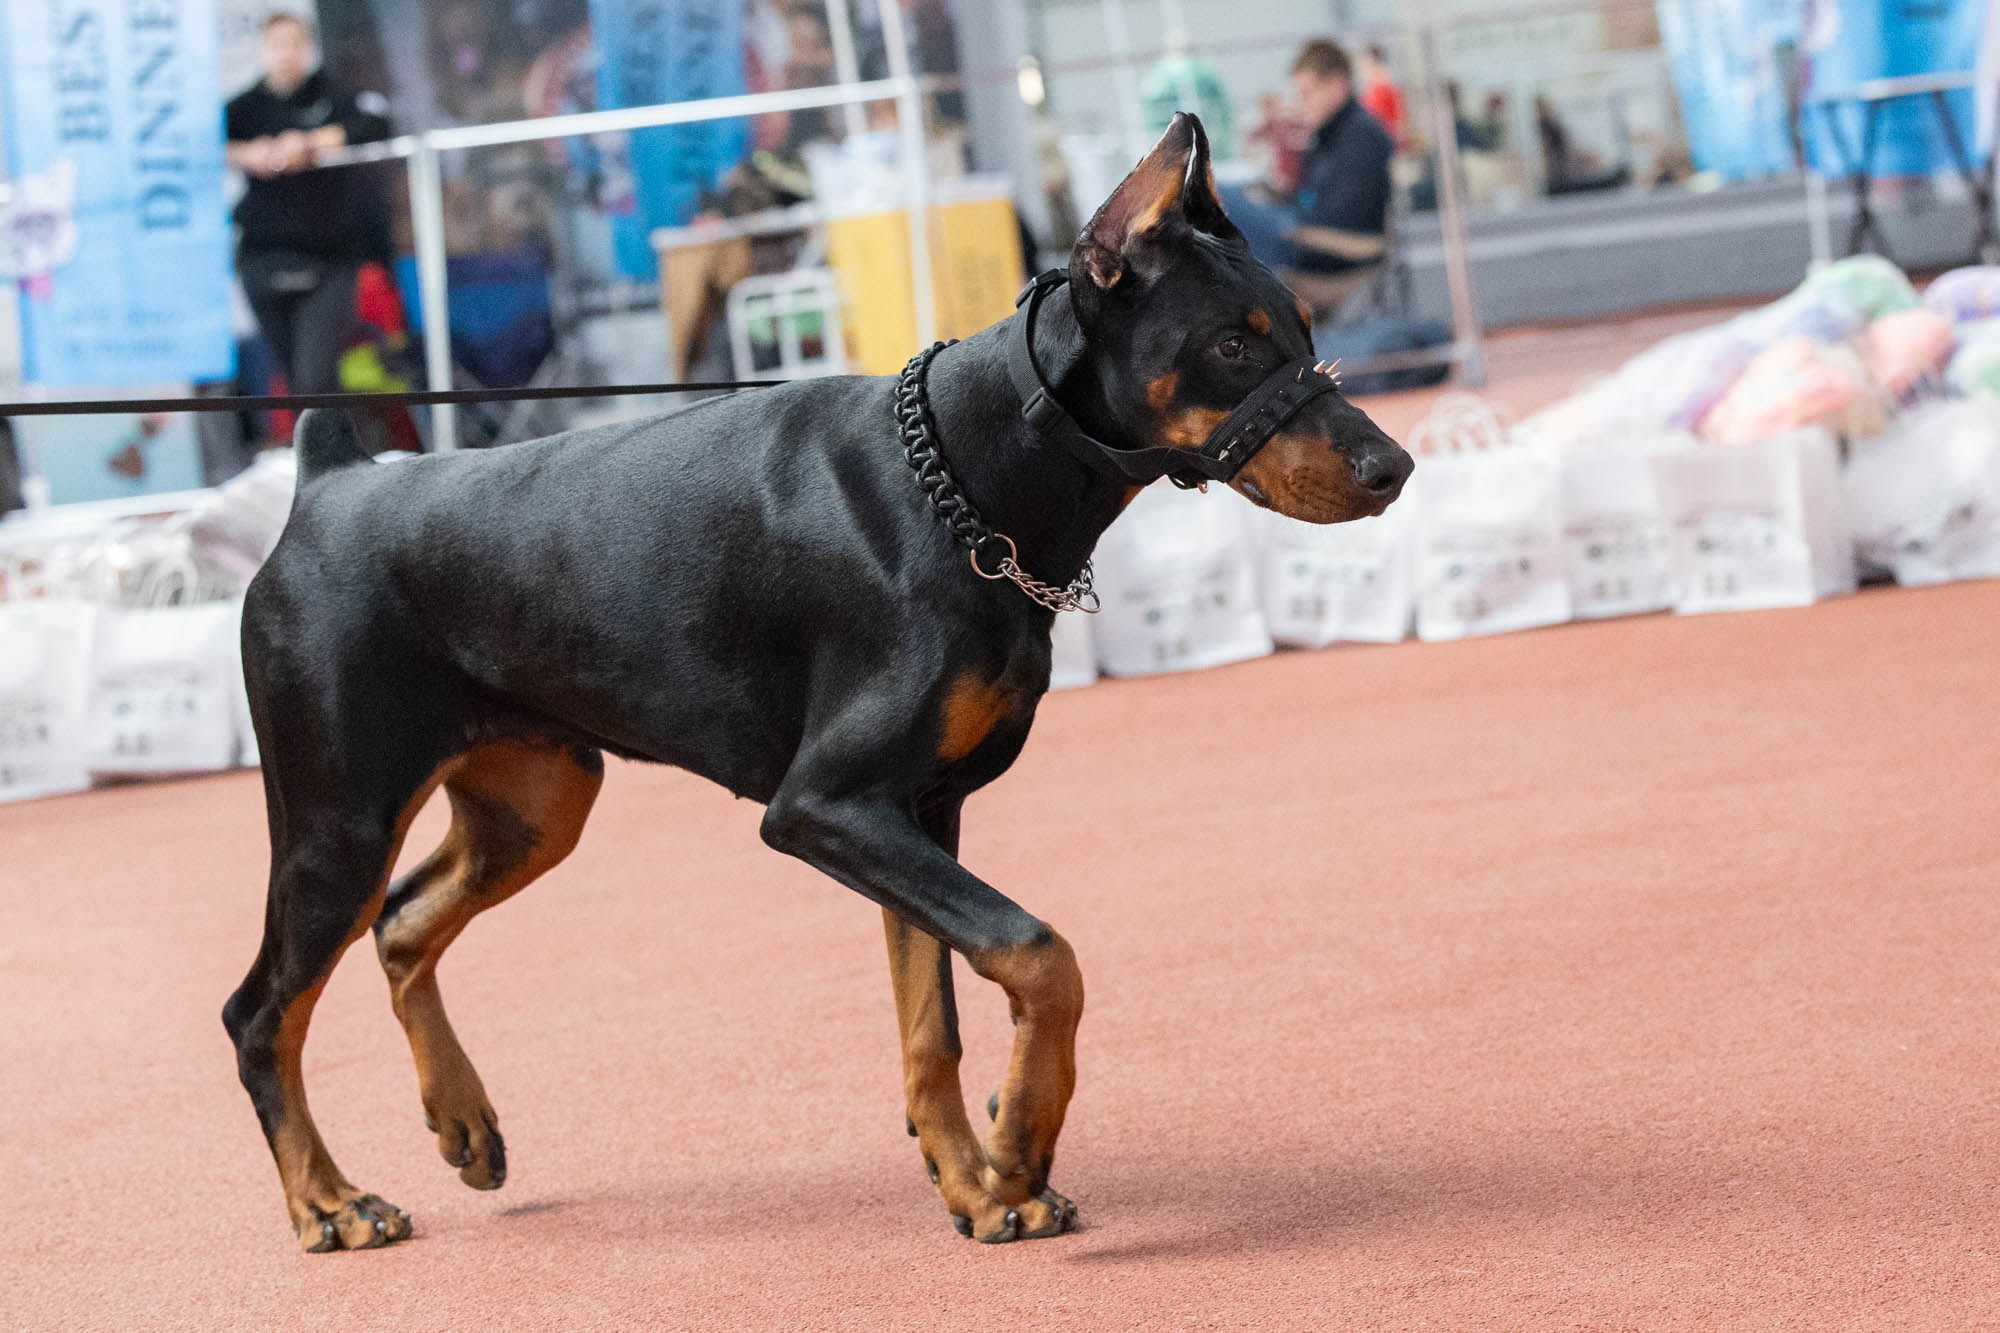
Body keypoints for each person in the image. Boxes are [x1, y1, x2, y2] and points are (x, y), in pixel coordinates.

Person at [224, 14, 391, 403]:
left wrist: (312, 143)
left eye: (295, 44)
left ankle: (332, 458)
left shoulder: (330, 94)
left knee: (317, 379)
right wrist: (248, 154)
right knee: (294, 382)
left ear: (308, 47)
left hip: (328, 258)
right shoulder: (242, 108)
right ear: (263, 50)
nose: (286, 54)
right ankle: (308, 456)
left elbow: (375, 124)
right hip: (264, 257)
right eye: (278, 44)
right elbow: (200, 144)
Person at [1283, 39, 1395, 310]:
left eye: (1306, 94)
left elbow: (1347, 222)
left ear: (1336, 86)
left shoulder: (1361, 138)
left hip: (1343, 264)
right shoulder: (1326, 138)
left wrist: (1284, 224)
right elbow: (1312, 200)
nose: (1301, 104)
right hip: (1318, 249)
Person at [1357, 43, 1406, 145]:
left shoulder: (1385, 88)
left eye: (1364, 64)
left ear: (1372, 63)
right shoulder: (1371, 89)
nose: (1362, 69)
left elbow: (1398, 124)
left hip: (1383, 142)